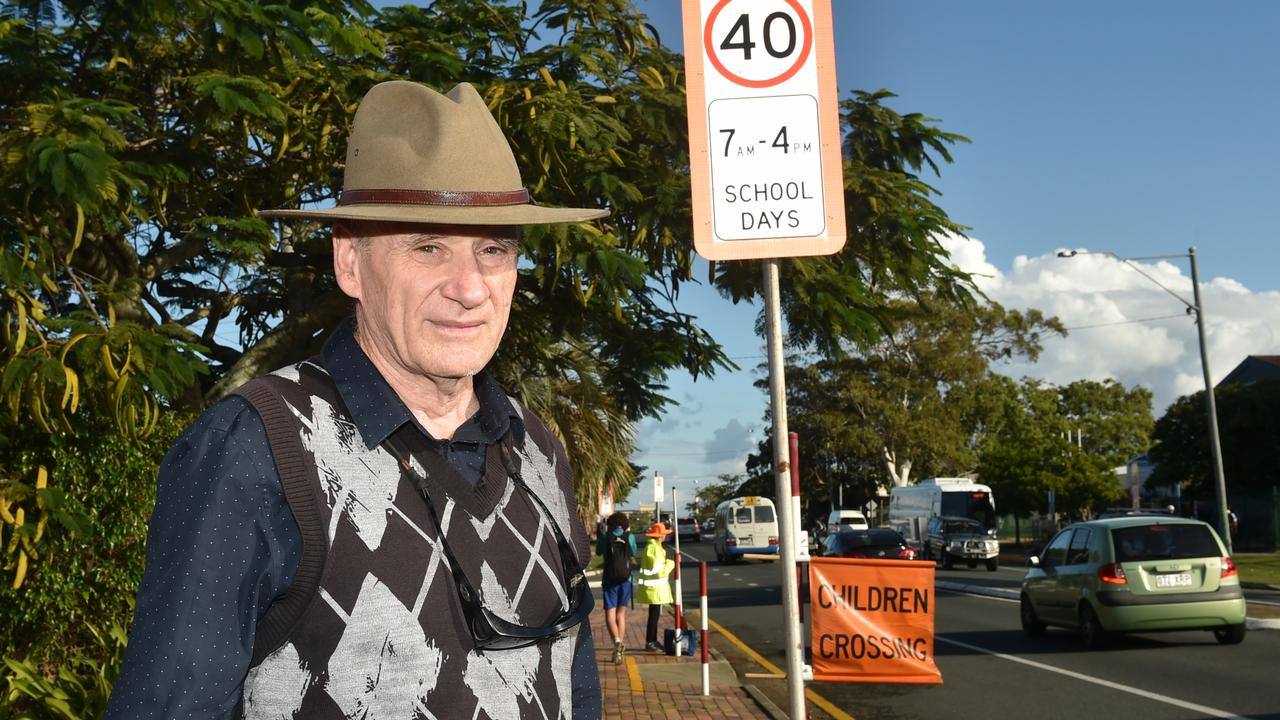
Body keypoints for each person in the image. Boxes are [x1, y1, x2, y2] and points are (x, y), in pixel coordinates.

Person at [105, 80, 608, 719]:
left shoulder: (536, 449)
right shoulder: (259, 447)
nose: (470, 288)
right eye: (428, 248)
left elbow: (575, 681)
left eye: (493, 250)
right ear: (350, 263)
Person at [596, 511, 637, 663]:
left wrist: (603, 534)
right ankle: (619, 652)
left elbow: (599, 552)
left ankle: (617, 642)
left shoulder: (606, 537)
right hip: (626, 580)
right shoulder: (630, 536)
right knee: (621, 615)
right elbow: (633, 551)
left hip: (609, 580)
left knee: (610, 614)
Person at [635, 521, 675, 652]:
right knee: (654, 616)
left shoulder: (655, 547)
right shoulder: (653, 549)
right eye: (663, 534)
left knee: (654, 615)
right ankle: (651, 641)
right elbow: (659, 571)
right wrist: (671, 563)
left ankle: (652, 641)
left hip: (655, 589)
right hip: (654, 589)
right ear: (659, 536)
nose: (665, 537)